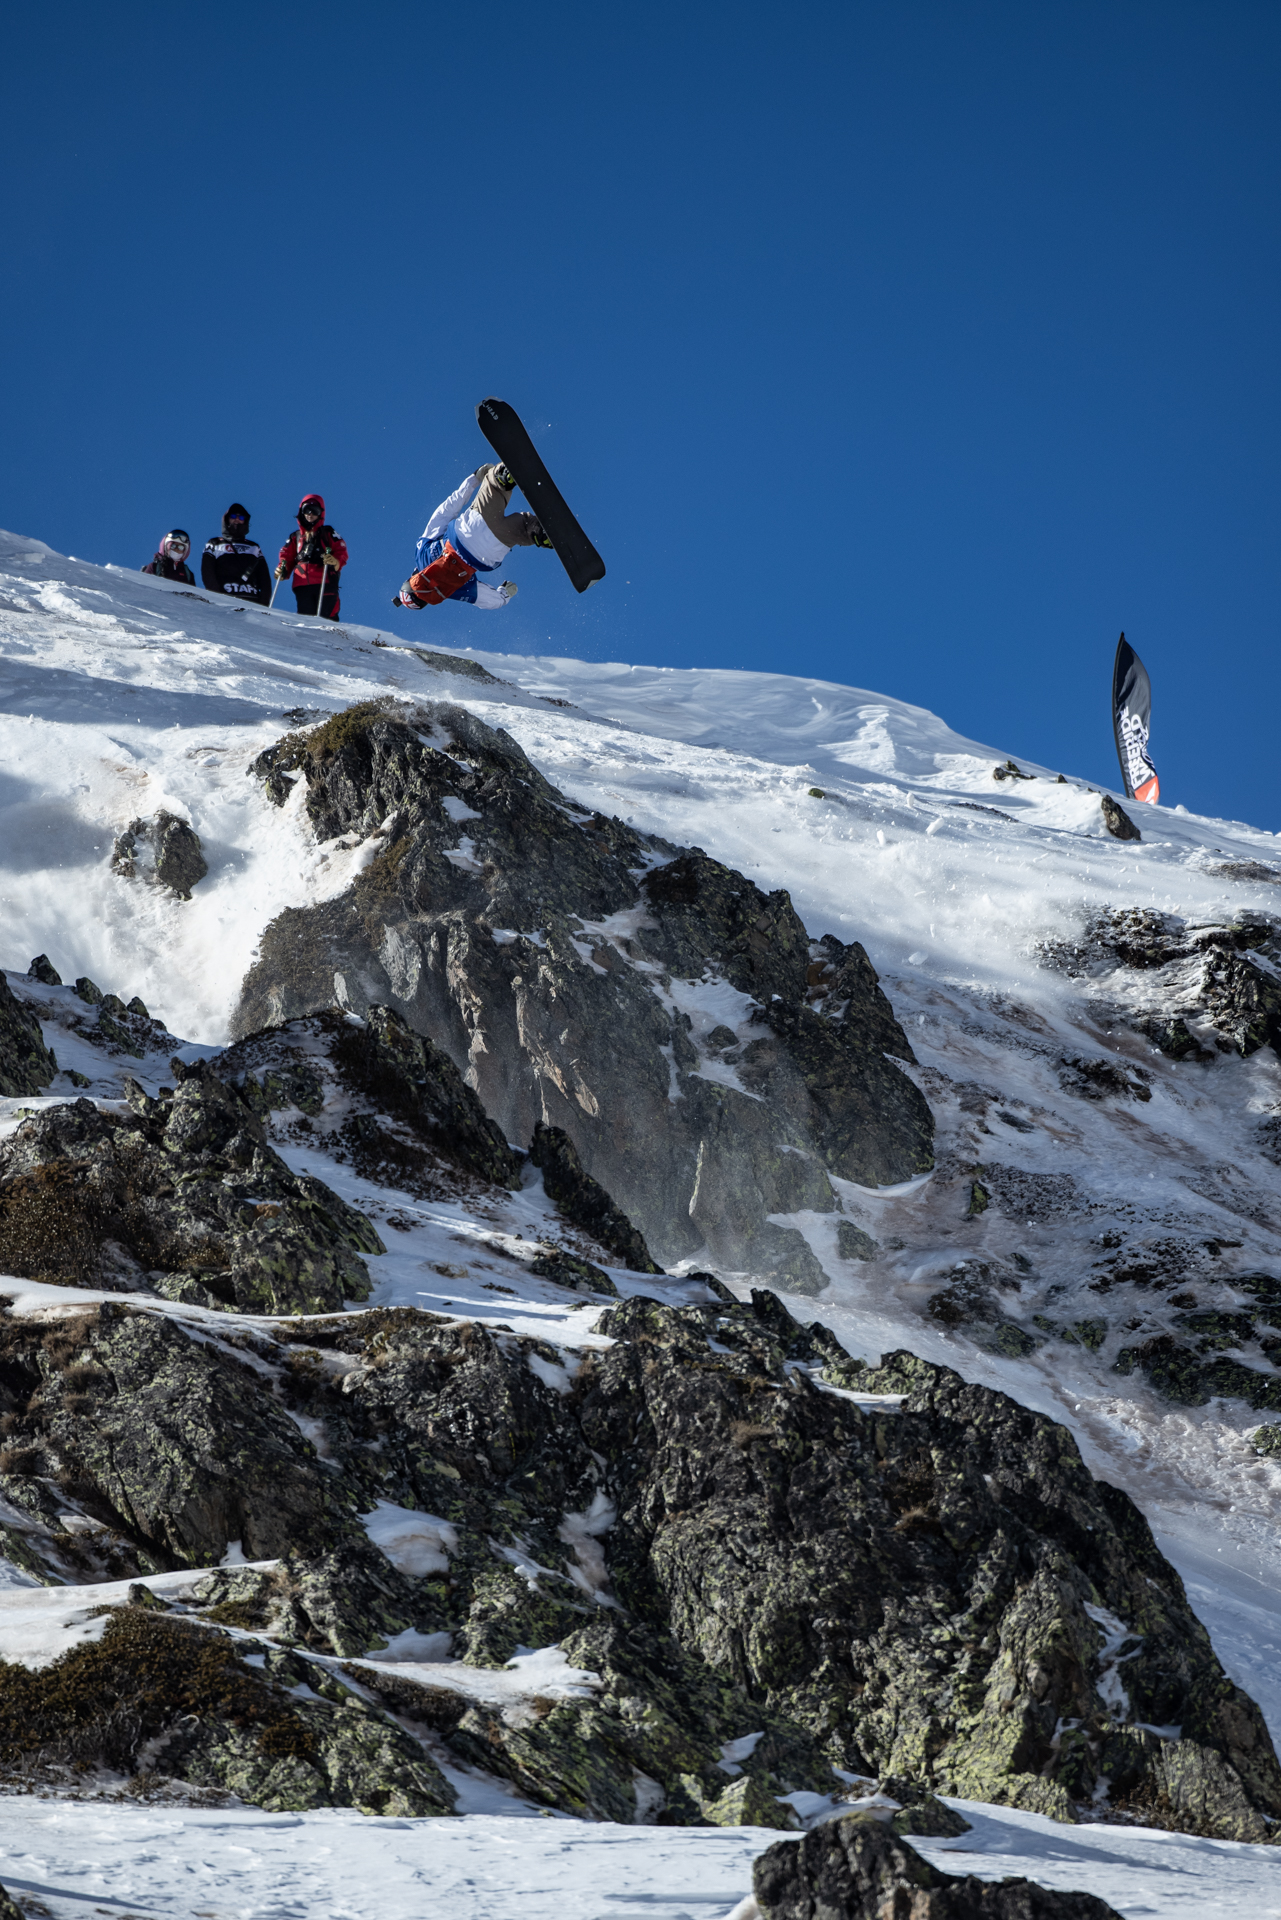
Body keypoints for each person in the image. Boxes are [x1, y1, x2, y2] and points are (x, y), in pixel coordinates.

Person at [393, 464, 552, 611]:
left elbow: (491, 601)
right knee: (496, 484)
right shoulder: (421, 553)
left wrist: (504, 594)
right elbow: (445, 512)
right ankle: (503, 476)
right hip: (469, 528)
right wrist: (474, 479)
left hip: (490, 552)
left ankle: (540, 533)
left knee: (525, 526)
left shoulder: (453, 590)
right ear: (411, 580)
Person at [275, 494, 348, 620]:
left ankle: (330, 632)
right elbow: (287, 555)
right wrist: (283, 569)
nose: (310, 514)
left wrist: (336, 562)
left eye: (315, 511)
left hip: (324, 581)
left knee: (327, 616)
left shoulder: (327, 533)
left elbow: (341, 550)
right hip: (302, 583)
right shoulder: (296, 537)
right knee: (306, 617)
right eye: (307, 510)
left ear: (321, 513)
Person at [201, 503, 272, 604]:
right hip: (225, 601)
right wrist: (216, 597)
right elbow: (207, 571)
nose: (237, 520)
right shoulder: (215, 543)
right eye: (233, 516)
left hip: (251, 601)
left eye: (241, 517)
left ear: (245, 521)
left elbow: (265, 577)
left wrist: (263, 604)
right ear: (227, 519)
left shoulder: (254, 547)